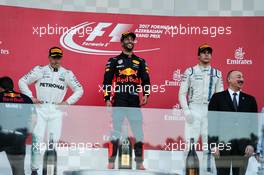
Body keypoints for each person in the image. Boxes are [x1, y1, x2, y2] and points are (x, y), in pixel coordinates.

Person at [18, 46, 84, 175]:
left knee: (52, 143)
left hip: (56, 111)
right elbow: (22, 81)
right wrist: (31, 97)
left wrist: (67, 102)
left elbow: (80, 89)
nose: (56, 60)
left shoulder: (67, 73)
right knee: (37, 141)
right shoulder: (40, 70)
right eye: (53, 57)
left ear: (61, 58)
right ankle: (34, 170)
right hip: (40, 110)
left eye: (58, 57)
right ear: (49, 57)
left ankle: (49, 169)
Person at [103, 32, 150, 170]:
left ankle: (140, 162)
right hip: (119, 100)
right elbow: (107, 81)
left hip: (134, 101)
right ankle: (111, 162)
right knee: (115, 132)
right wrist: (107, 98)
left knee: (138, 133)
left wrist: (146, 94)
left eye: (132, 39)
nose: (130, 41)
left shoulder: (140, 61)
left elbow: (146, 80)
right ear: (122, 42)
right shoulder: (113, 60)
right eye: (127, 39)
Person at [208, 70, 258, 175]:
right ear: (229, 79)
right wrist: (213, 145)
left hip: (243, 148)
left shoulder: (250, 100)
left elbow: (254, 125)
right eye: (238, 77)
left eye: (242, 77)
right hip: (222, 148)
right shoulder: (217, 98)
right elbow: (212, 123)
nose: (241, 79)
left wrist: (252, 145)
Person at [178, 43, 224, 146]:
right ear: (198, 56)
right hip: (194, 109)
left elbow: (220, 97)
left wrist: (217, 115)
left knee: (209, 147)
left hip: (210, 111)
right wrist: (187, 112)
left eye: (209, 53)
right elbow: (181, 94)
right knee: (190, 146)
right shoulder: (190, 71)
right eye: (204, 53)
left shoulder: (217, 73)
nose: (207, 55)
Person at [0, 76, 33, 175]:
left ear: (1, 88)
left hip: (1, 135)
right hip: (18, 137)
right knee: (18, 172)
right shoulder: (26, 99)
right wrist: (25, 135)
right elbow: (33, 119)